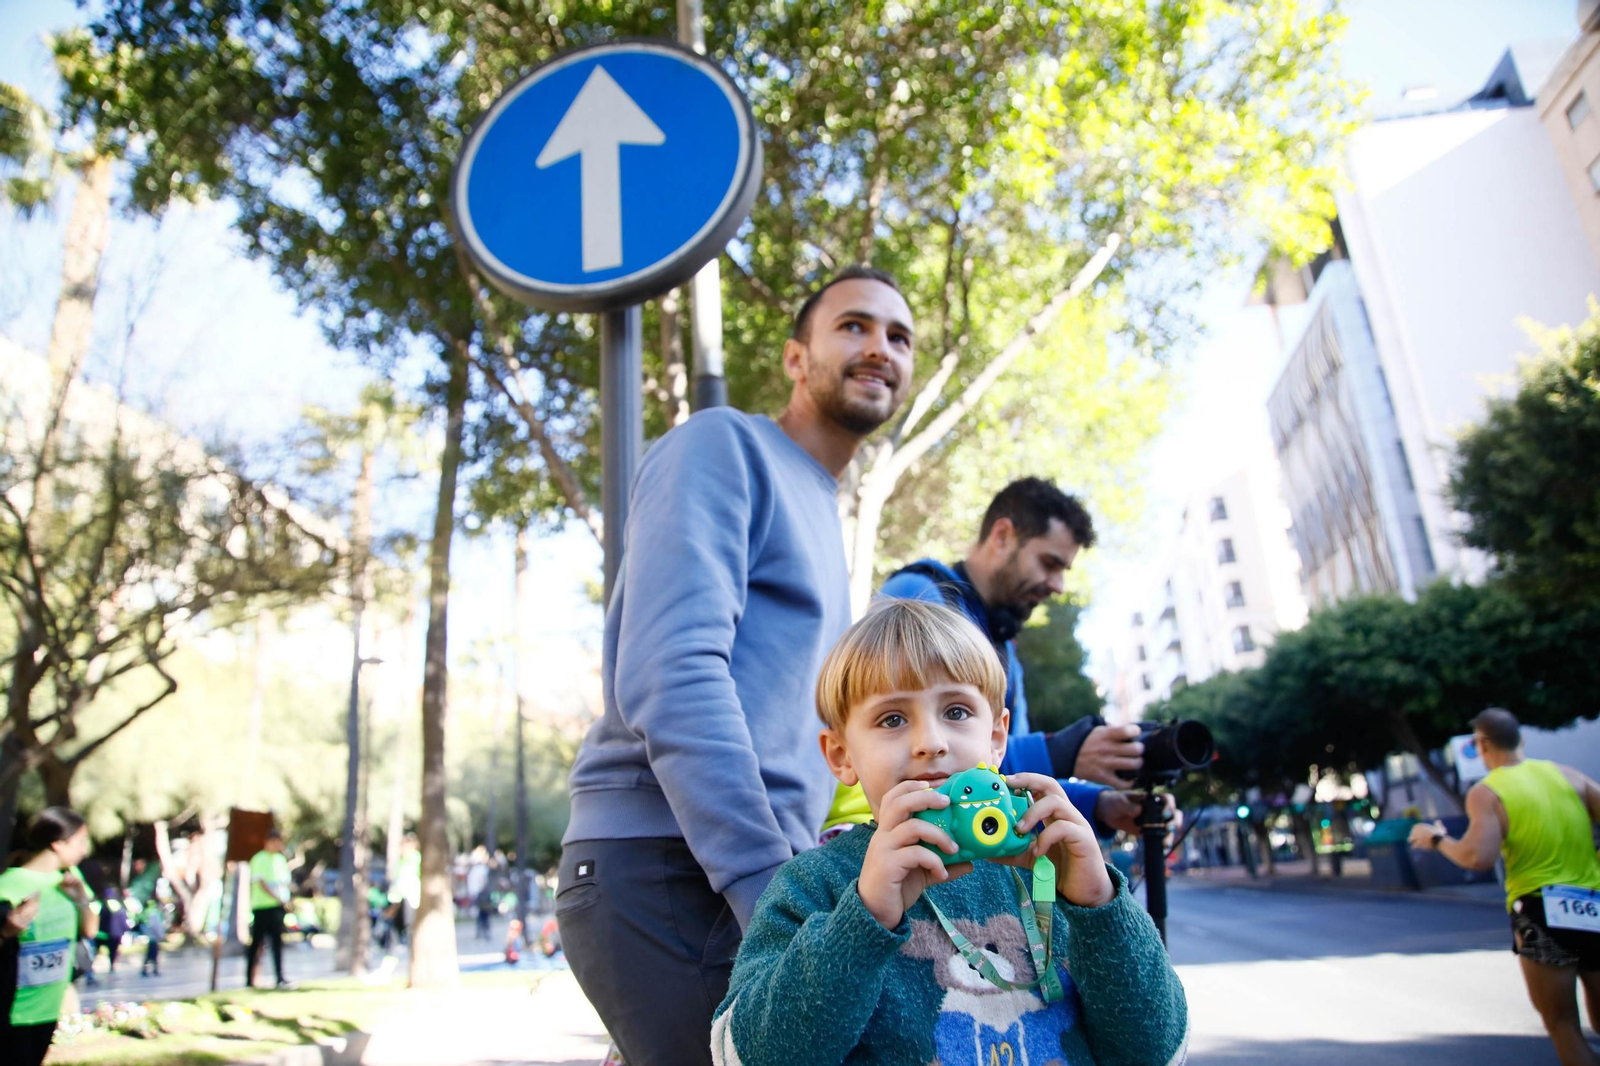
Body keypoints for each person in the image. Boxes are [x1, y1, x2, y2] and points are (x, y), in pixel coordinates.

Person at [558, 265, 917, 1066]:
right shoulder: (722, 445)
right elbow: (672, 671)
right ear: (795, 357)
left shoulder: (822, 508)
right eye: (853, 326)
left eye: (899, 337)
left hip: (745, 874)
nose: (879, 348)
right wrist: (771, 891)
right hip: (673, 864)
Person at [711, 599, 1188, 1065]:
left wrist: (1098, 906)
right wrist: (863, 917)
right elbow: (747, 1055)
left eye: (956, 712)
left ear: (996, 738)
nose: (931, 743)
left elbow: (1156, 1050)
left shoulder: (1052, 870)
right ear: (841, 755)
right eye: (892, 719)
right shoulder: (815, 885)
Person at [822, 477, 1151, 840]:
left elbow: (1001, 786)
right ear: (1002, 536)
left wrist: (1099, 805)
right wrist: (1061, 752)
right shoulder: (917, 601)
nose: (1057, 585)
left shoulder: (1006, 649)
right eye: (1049, 563)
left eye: (956, 712)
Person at [1410, 708, 1600, 1066]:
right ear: (1521, 740)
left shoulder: (1487, 792)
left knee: (1562, 1025)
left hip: (1542, 910)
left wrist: (1436, 839)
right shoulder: (1569, 776)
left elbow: (1477, 857)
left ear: (1481, 744)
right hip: (1593, 904)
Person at [0, 807, 100, 1066]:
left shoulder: (70, 880)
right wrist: (6, 931)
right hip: (12, 1013)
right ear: (57, 843)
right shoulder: (7, 885)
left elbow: (89, 930)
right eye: (80, 841)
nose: (84, 850)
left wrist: (81, 900)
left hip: (48, 1010)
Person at [246, 829, 293, 990]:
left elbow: (284, 882)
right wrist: (276, 897)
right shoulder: (258, 859)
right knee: (256, 943)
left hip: (277, 907)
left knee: (277, 943)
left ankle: (279, 977)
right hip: (262, 907)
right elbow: (260, 882)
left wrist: (285, 900)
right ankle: (249, 979)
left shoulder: (280, 859)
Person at [95, 885, 128, 974]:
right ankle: (112, 965)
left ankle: (92, 967)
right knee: (113, 950)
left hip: (102, 932)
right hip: (115, 933)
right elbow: (122, 919)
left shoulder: (102, 905)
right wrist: (125, 929)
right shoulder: (118, 906)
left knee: (97, 949)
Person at [139, 896, 165, 977]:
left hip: (150, 937)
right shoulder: (155, 914)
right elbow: (156, 926)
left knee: (150, 954)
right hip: (154, 937)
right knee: (153, 954)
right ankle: (153, 969)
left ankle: (148, 969)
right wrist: (161, 935)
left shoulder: (147, 912)